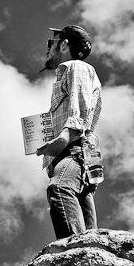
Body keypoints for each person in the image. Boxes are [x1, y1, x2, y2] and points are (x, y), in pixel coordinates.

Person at [36, 25, 102, 239]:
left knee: (59, 188)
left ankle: (74, 255)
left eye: (51, 42)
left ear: (64, 43)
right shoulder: (76, 71)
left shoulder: (76, 67)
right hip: (79, 154)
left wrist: (64, 137)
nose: (48, 48)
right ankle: (89, 254)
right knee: (88, 229)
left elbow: (80, 106)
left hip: (73, 150)